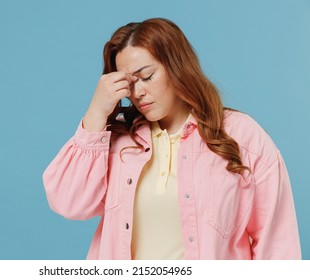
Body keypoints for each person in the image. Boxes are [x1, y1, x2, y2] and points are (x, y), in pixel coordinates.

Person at [42, 18, 301, 260]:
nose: (138, 92)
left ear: (176, 66)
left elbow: (277, 244)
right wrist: (96, 113)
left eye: (147, 76)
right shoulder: (118, 140)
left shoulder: (242, 136)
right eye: (129, 85)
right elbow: (68, 203)